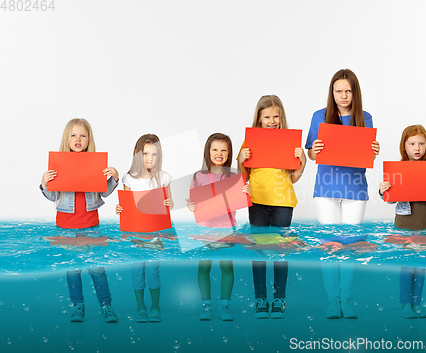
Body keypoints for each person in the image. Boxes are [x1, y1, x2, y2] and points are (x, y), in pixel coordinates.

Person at [305, 69, 380, 319]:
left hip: (355, 188)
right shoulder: (320, 116)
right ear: (332, 92)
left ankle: (345, 300)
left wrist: (373, 150)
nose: (343, 95)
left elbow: (365, 156)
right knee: (329, 244)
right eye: (339, 91)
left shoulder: (364, 117)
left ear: (355, 92)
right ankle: (331, 300)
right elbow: (311, 155)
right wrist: (314, 150)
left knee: (350, 245)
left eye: (348, 90)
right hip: (325, 188)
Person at [40, 118, 119, 323]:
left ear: (88, 139)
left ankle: (106, 306)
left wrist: (114, 178)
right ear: (67, 139)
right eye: (73, 135)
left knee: (97, 268)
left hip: (91, 224)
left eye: (82, 135)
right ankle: (78, 306)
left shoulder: (94, 164)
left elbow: (105, 192)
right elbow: (52, 197)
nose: (78, 139)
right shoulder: (59, 165)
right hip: (66, 227)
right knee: (73, 269)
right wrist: (44, 184)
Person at [238, 95, 306, 319]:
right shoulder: (251, 140)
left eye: (276, 116)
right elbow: (243, 175)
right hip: (257, 200)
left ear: (281, 117)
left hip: (283, 202)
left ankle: (279, 299)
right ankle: (260, 298)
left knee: (280, 250)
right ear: (259, 119)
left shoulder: (288, 141)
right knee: (258, 250)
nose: (272, 120)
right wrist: (241, 160)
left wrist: (302, 161)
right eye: (267, 116)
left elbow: (294, 178)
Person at [379, 124, 426, 319]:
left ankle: (417, 304)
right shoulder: (397, 170)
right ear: (405, 146)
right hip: (405, 226)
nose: (417, 148)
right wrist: (383, 189)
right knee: (407, 266)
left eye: (421, 143)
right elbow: (390, 198)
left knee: (420, 267)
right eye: (412, 143)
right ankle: (405, 305)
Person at [186, 133, 251, 321]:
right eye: (215, 149)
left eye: (224, 150)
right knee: (204, 267)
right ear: (208, 152)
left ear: (229, 153)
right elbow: (194, 204)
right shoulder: (198, 177)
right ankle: (206, 306)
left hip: (227, 229)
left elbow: (241, 202)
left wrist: (246, 191)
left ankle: (225, 306)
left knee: (226, 268)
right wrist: (191, 206)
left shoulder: (233, 176)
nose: (219, 153)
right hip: (205, 230)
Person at [116, 134, 173, 323]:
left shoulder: (163, 177)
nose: (150, 158)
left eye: (154, 154)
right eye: (145, 153)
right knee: (137, 272)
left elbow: (170, 203)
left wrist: (169, 202)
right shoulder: (129, 178)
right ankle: (141, 308)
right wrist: (120, 209)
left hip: (155, 234)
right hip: (135, 234)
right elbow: (126, 206)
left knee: (152, 271)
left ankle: (155, 307)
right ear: (137, 154)